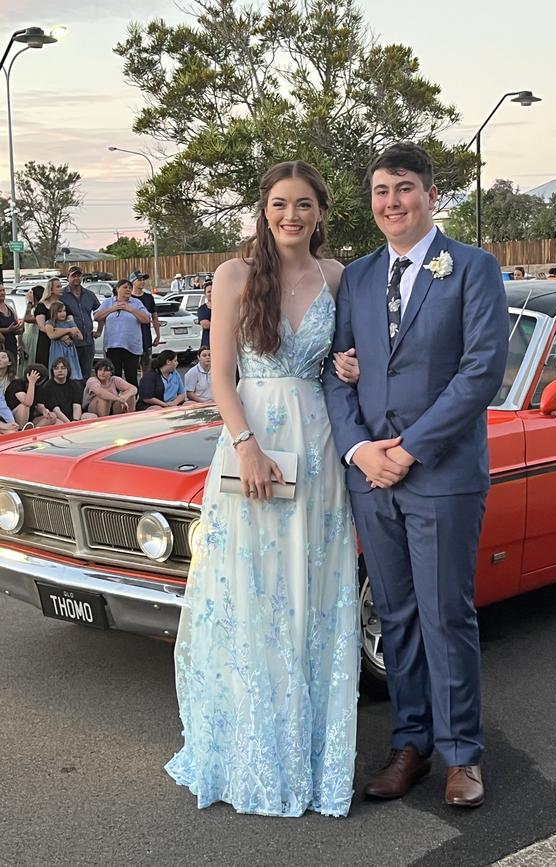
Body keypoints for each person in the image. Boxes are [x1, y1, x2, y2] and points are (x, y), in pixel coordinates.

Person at [165, 160, 359, 818]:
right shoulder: (234, 275)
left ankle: (307, 751)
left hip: (319, 446)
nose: (291, 215)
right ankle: (248, 745)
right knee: (253, 593)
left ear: (321, 210)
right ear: (264, 207)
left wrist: (348, 364)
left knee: (310, 597)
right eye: (280, 203)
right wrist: (246, 445)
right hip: (252, 443)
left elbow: (353, 363)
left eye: (304, 203)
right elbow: (220, 373)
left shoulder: (338, 277)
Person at [323, 142, 509, 809]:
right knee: (394, 613)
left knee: (444, 613)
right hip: (371, 478)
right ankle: (410, 743)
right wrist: (359, 450)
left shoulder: (472, 269)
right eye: (380, 190)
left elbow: (481, 370)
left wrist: (410, 447)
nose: (391, 202)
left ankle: (462, 752)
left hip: (442, 473)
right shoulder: (361, 277)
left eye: (403, 188)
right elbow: (336, 369)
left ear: (431, 196)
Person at [94, 279, 152, 386]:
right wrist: (112, 309)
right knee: (114, 376)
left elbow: (146, 319)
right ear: (117, 289)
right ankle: (115, 400)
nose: (128, 290)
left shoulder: (136, 302)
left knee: (131, 376)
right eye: (125, 287)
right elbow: (97, 317)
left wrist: (131, 309)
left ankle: (133, 399)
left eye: (130, 288)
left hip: (131, 346)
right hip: (113, 345)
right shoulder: (108, 302)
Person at [62, 266, 100, 379]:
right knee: (71, 374)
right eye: (73, 275)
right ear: (67, 277)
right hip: (70, 342)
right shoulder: (61, 295)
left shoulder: (89, 294)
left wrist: (99, 330)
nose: (76, 278)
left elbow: (100, 313)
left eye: (78, 275)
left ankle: (85, 396)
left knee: (86, 375)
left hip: (88, 342)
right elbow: (53, 316)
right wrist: (63, 336)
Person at [41, 357, 96, 423]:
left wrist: (75, 420)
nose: (60, 370)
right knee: (58, 422)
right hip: (58, 417)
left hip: (74, 417)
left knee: (92, 417)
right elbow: (56, 410)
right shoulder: (47, 386)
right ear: (52, 371)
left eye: (63, 368)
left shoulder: (75, 384)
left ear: (68, 369)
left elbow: (77, 405)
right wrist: (69, 424)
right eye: (56, 368)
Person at [5, 363, 59, 428]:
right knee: (24, 406)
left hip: (30, 419)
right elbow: (28, 402)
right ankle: (21, 430)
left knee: (52, 417)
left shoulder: (39, 387)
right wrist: (32, 382)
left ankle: (32, 431)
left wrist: (44, 411)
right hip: (12, 418)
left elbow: (39, 405)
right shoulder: (17, 383)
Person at [34, 277, 73, 368]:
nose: (61, 288)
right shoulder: (41, 306)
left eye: (61, 286)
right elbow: (41, 326)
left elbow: (71, 323)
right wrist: (58, 335)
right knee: (45, 368)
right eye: (58, 286)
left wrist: (68, 334)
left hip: (63, 344)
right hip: (46, 343)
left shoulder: (64, 305)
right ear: (50, 290)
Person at [129, 270, 160, 374]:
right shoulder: (128, 298)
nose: (142, 282)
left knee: (147, 367)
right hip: (131, 338)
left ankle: (146, 388)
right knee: (131, 368)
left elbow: (154, 317)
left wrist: (158, 334)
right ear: (132, 281)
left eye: (143, 280)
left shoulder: (148, 297)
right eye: (139, 279)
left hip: (145, 336)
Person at [45, 302, 83, 380]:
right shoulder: (50, 323)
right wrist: (68, 330)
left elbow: (80, 337)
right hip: (57, 350)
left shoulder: (70, 323)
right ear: (54, 312)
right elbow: (51, 335)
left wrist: (61, 332)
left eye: (64, 311)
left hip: (69, 351)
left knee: (72, 371)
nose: (63, 313)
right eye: (59, 311)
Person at [19, 285, 44, 374]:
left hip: (34, 340)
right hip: (26, 340)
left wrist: (29, 302)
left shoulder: (40, 310)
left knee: (32, 365)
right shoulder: (32, 309)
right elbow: (23, 326)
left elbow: (27, 318)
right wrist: (20, 343)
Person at [0, 281, 23, 361]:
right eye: (0, 291)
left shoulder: (9, 308)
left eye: (3, 290)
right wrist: (7, 330)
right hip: (2, 347)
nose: (3, 293)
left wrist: (19, 329)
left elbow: (15, 325)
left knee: (12, 371)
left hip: (12, 346)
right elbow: (9, 329)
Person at [196, 282, 212, 349]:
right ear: (205, 294)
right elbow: (205, 325)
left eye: (214, 291)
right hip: (208, 343)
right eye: (209, 292)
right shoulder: (202, 309)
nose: (212, 293)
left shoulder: (225, 307)